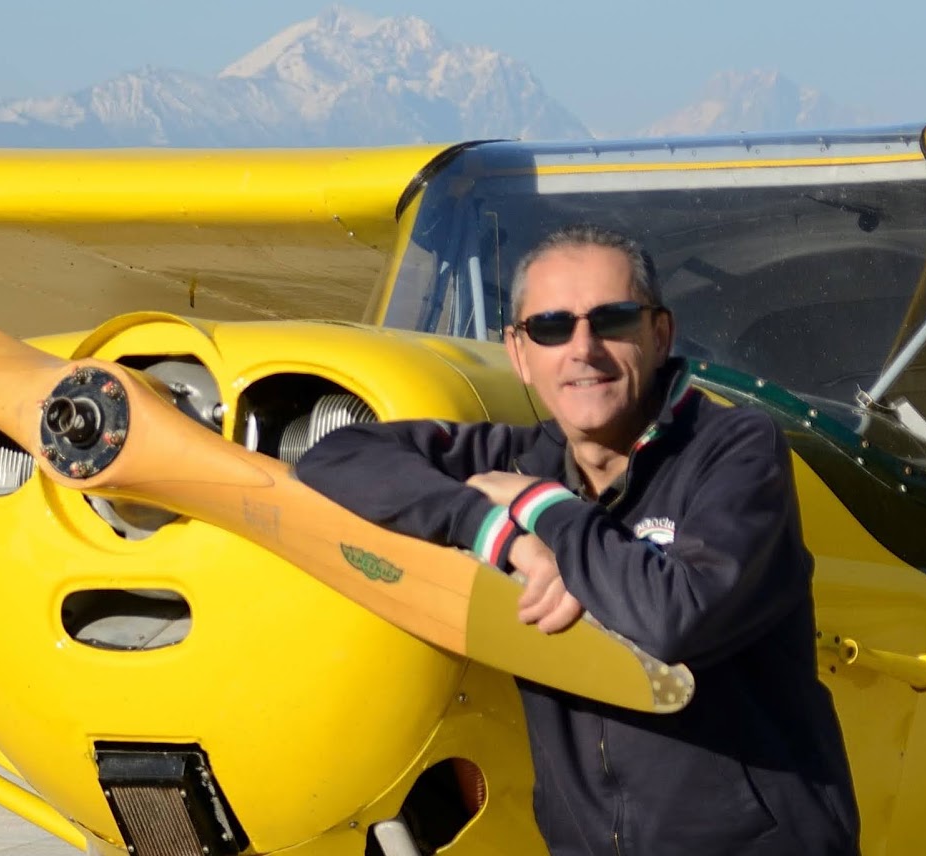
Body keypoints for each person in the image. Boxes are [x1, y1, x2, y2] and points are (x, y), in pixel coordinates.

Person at [294, 223, 861, 855]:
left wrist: (546, 509)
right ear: (518, 353)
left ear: (660, 334)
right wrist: (495, 533)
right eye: (551, 328)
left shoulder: (735, 449)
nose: (582, 348)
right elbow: (334, 456)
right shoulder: (516, 456)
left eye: (612, 320)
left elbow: (674, 619)